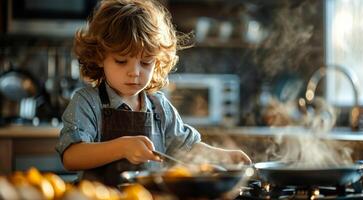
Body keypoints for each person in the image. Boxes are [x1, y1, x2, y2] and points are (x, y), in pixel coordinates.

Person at [55, 0, 251, 186]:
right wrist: (122, 147)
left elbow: (186, 148)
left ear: (157, 61)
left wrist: (224, 156)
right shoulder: (87, 102)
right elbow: (71, 157)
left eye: (146, 62)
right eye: (121, 61)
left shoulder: (159, 106)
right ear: (99, 57)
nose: (135, 72)